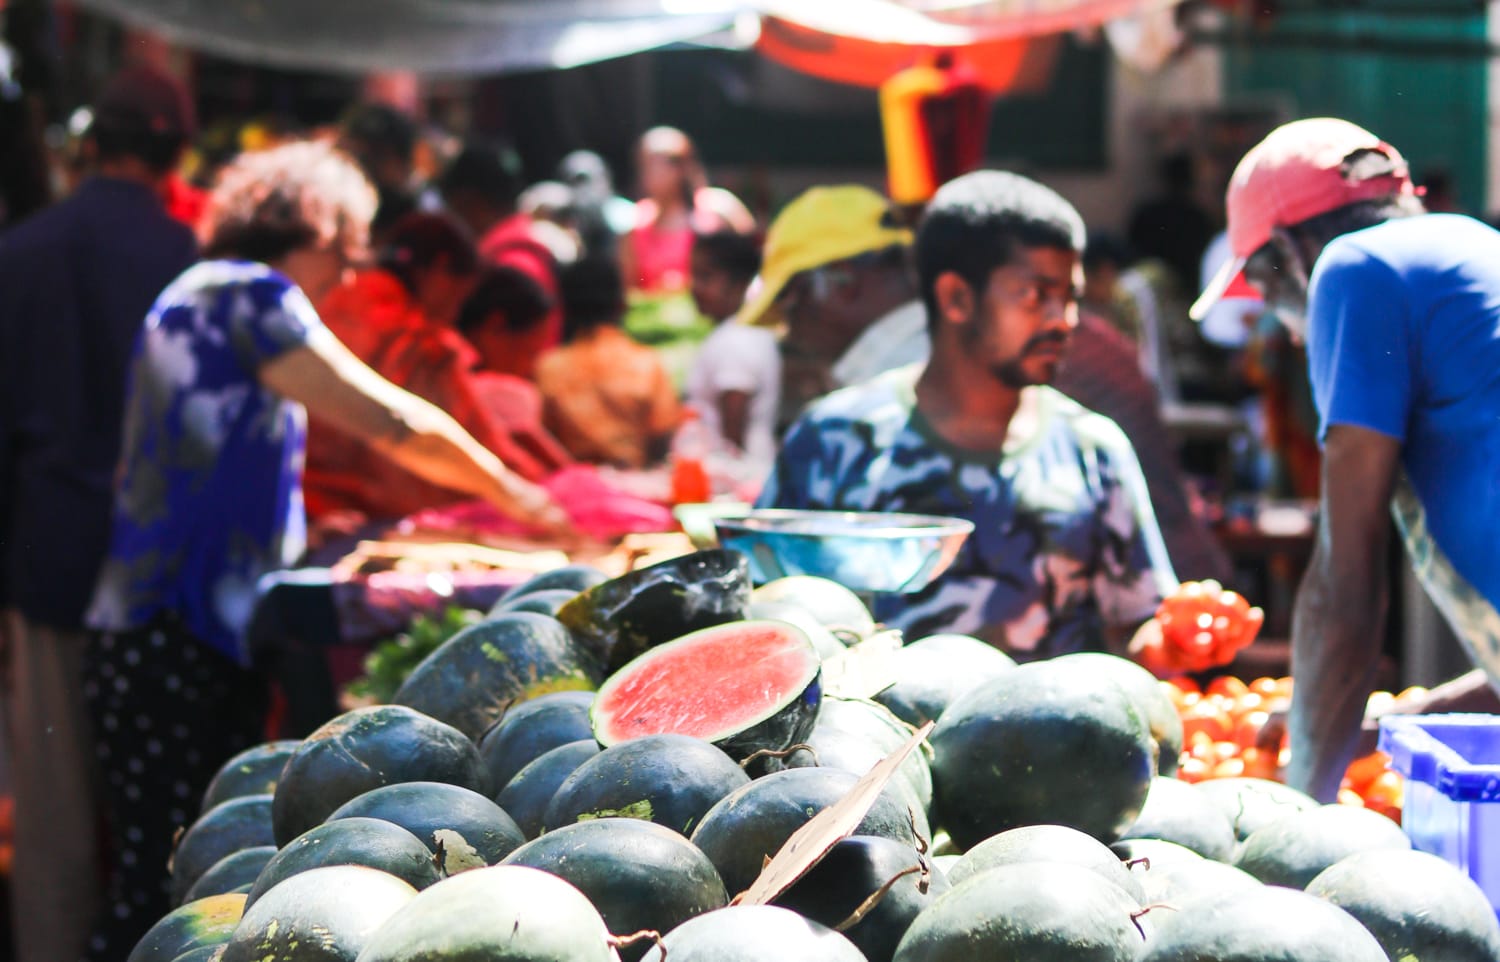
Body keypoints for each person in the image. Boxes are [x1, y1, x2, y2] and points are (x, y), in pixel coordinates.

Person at [81, 140, 571, 957]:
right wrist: (519, 495)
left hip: (165, 629)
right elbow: (392, 420)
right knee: (173, 883)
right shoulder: (250, 295)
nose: (348, 278)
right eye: (344, 254)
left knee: (171, 873)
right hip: (173, 632)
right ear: (307, 228)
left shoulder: (199, 292)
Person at [1191, 117, 1500, 802]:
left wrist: (1300, 818)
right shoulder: (1474, 247)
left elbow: (1344, 585)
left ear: (1286, 256)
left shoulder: (1353, 269)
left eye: (1267, 296)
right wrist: (1383, 726)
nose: (1292, 337)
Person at [758, 171, 1176, 658]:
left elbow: (1134, 631)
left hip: (1064, 734)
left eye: (1071, 298)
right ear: (956, 297)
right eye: (1035, 294)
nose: (1064, 320)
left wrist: (1180, 640)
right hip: (875, 735)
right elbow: (770, 625)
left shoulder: (1094, 449)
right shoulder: (833, 440)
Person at [0, 63, 198, 962]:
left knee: (54, 813)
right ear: (173, 155)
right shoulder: (184, 259)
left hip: (48, 555)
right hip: (159, 571)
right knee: (167, 807)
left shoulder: (22, 249)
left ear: (88, 148)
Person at [306, 211, 572, 520]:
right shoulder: (419, 340)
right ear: (440, 269)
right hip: (352, 513)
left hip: (312, 505)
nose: (453, 312)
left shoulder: (344, 296)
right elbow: (472, 437)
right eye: (458, 297)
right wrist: (535, 486)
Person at [735, 185, 920, 432]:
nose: (788, 331)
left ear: (842, 280)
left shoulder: (856, 411)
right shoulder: (957, 353)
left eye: (787, 302)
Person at [535, 256, 682, 469]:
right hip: (636, 485)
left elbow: (542, 438)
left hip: (571, 490)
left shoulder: (548, 367)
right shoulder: (646, 363)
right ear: (621, 303)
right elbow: (661, 435)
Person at [437, 141, 564, 379]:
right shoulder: (508, 251)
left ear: (469, 201)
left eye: (451, 205)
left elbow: (525, 355)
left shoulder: (514, 262)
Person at [684, 229, 781, 475]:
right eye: (694, 276)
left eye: (705, 278)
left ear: (738, 284)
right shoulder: (744, 331)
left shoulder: (737, 339)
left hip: (740, 478)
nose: (694, 288)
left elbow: (733, 428)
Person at [623, 126, 754, 294]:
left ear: (681, 167)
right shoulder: (636, 222)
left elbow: (751, 258)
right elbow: (630, 287)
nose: (646, 173)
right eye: (643, 165)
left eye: (654, 164)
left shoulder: (720, 209)